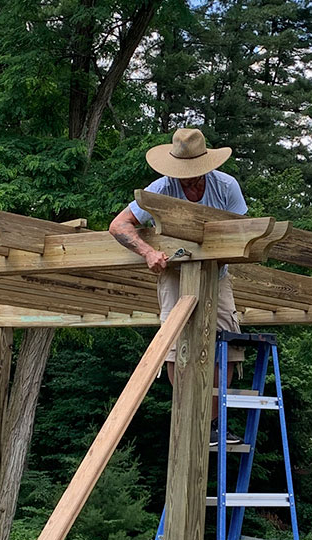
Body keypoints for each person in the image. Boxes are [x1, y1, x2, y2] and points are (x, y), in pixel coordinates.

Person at [109, 128, 246, 445]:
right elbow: (119, 225)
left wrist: (223, 252)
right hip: (173, 271)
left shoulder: (226, 187)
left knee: (226, 339)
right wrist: (148, 253)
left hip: (217, 272)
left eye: (195, 176)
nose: (190, 182)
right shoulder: (161, 189)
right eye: (185, 176)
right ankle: (188, 413)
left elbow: (242, 230)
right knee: (174, 339)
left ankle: (212, 424)